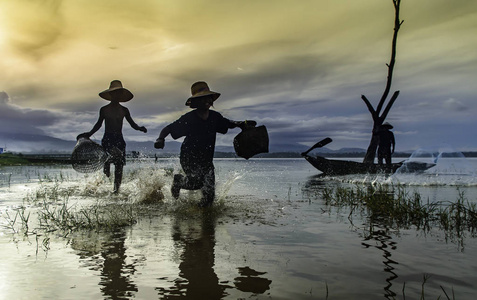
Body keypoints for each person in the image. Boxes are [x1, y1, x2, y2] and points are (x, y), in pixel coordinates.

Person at [154, 81, 254, 207]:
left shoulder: (215, 117)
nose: (207, 100)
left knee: (210, 194)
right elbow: (168, 128)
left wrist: (242, 124)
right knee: (196, 183)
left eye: (208, 98)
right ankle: (178, 181)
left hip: (207, 158)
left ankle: (205, 221)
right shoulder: (189, 118)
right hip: (189, 156)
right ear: (196, 102)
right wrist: (160, 139)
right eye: (202, 98)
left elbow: (229, 123)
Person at [77, 80, 147, 193]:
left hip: (119, 139)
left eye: (118, 93)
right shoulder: (104, 110)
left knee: (119, 166)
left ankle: (116, 190)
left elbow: (133, 124)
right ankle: (107, 162)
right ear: (110, 94)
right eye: (114, 93)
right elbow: (98, 124)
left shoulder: (124, 110)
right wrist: (89, 134)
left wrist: (140, 128)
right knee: (117, 155)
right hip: (108, 139)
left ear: (120, 95)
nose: (116, 95)